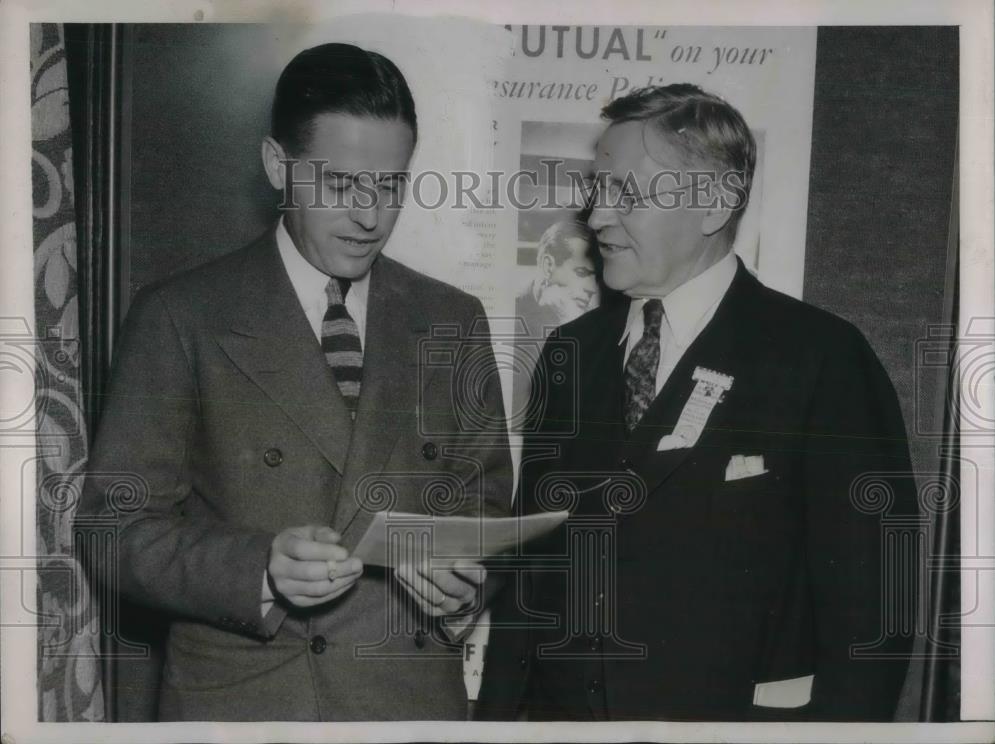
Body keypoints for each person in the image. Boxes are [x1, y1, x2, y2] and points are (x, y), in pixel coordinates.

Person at [78, 43, 511, 721]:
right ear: (277, 165)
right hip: (245, 706)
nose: (370, 217)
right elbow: (113, 529)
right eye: (340, 185)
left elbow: (487, 505)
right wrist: (259, 569)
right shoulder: (181, 316)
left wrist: (463, 581)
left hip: (406, 701)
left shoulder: (453, 320)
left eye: (391, 185)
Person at [478, 83, 917, 721]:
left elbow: (875, 611)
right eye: (599, 189)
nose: (597, 215)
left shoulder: (822, 359)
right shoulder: (569, 353)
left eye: (626, 192)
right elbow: (531, 579)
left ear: (714, 205)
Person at [513, 219, 599, 428]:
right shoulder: (511, 317)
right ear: (548, 265)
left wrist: (571, 324)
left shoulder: (588, 320)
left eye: (597, 277)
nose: (592, 288)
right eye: (581, 273)